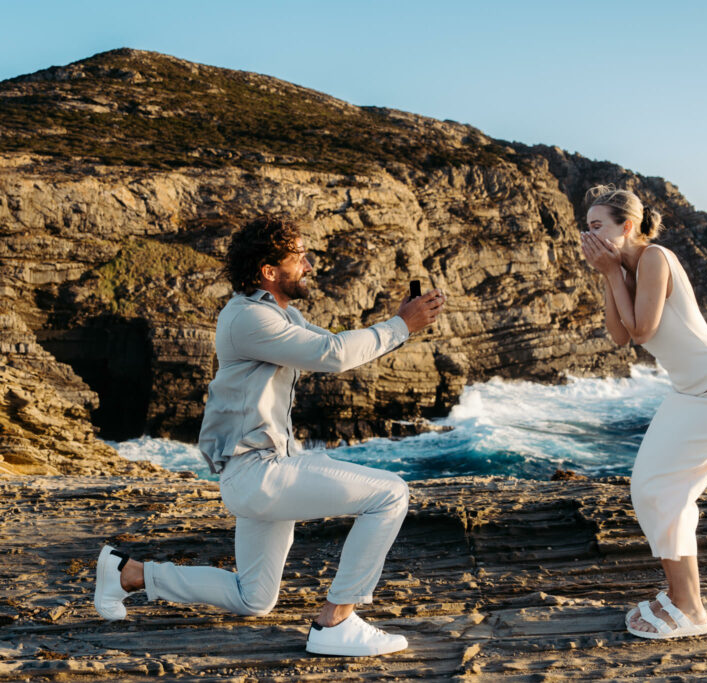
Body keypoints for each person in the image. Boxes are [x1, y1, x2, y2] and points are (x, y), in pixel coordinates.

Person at [93, 216, 446, 657]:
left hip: (265, 470)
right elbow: (332, 355)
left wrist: (399, 323)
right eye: (299, 257)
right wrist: (401, 326)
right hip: (258, 474)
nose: (310, 265)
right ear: (268, 272)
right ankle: (334, 622)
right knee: (390, 495)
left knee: (253, 597)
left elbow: (337, 347)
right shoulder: (246, 318)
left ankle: (131, 574)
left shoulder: (281, 314)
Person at [579, 186, 707, 640]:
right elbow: (619, 337)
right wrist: (608, 274)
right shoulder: (623, 268)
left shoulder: (655, 258)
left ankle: (691, 608)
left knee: (667, 490)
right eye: (587, 228)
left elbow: (642, 331)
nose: (591, 234)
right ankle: (680, 595)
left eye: (598, 225)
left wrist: (611, 272)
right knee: (650, 487)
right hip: (691, 389)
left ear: (627, 225)